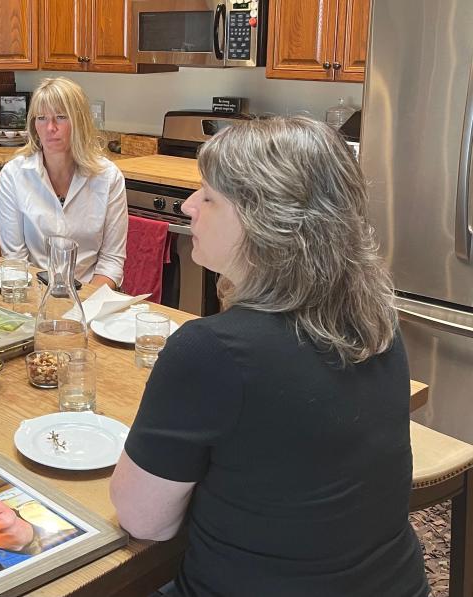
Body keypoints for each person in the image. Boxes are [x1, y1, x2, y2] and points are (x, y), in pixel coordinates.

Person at [110, 117, 429, 597]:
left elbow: (144, 522)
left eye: (209, 196)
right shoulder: (374, 320)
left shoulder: (210, 350)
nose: (189, 205)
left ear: (264, 222)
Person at [0, 77, 127, 289]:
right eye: (41, 118)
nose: (50, 127)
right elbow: (15, 260)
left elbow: (111, 262)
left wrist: (85, 304)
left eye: (60, 117)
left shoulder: (108, 178)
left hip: (92, 294)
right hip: (33, 292)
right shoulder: (13, 176)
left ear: (80, 122)